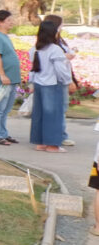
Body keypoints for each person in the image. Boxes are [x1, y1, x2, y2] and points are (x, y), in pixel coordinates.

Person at [28, 19, 73, 153]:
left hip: (39, 84)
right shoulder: (54, 49)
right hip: (52, 85)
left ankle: (40, 142)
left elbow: (33, 69)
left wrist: (32, 83)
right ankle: (52, 145)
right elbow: (60, 70)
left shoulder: (35, 49)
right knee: (53, 115)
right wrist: (68, 81)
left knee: (39, 114)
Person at [0, 9, 21, 146]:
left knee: (5, 109)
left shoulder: (4, 36)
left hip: (10, 80)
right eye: (8, 20)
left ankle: (3, 133)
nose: (11, 22)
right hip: (2, 81)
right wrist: (2, 75)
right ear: (0, 22)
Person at [43, 14, 79, 146]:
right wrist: (69, 80)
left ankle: (57, 134)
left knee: (60, 109)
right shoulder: (50, 43)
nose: (63, 26)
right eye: (61, 24)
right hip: (56, 79)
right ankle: (58, 136)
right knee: (57, 109)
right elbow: (55, 63)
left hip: (60, 78)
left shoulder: (59, 41)